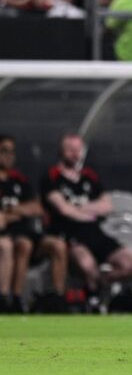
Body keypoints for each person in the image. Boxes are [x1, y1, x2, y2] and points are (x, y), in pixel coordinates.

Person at [41, 133, 132, 312]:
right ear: (61, 151)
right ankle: (91, 295)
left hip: (96, 232)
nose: (75, 154)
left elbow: (106, 206)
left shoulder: (89, 176)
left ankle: (98, 286)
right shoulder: (51, 176)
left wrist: (78, 207)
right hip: (69, 235)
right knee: (88, 266)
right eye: (70, 150)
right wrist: (88, 210)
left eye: (78, 150)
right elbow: (63, 210)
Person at [0, 134, 67, 313]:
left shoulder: (19, 180)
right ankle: (11, 299)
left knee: (58, 245)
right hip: (8, 237)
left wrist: (9, 212)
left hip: (26, 231)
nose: (9, 156)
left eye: (12, 152)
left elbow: (37, 207)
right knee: (21, 245)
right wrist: (20, 211)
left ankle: (57, 299)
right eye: (4, 151)